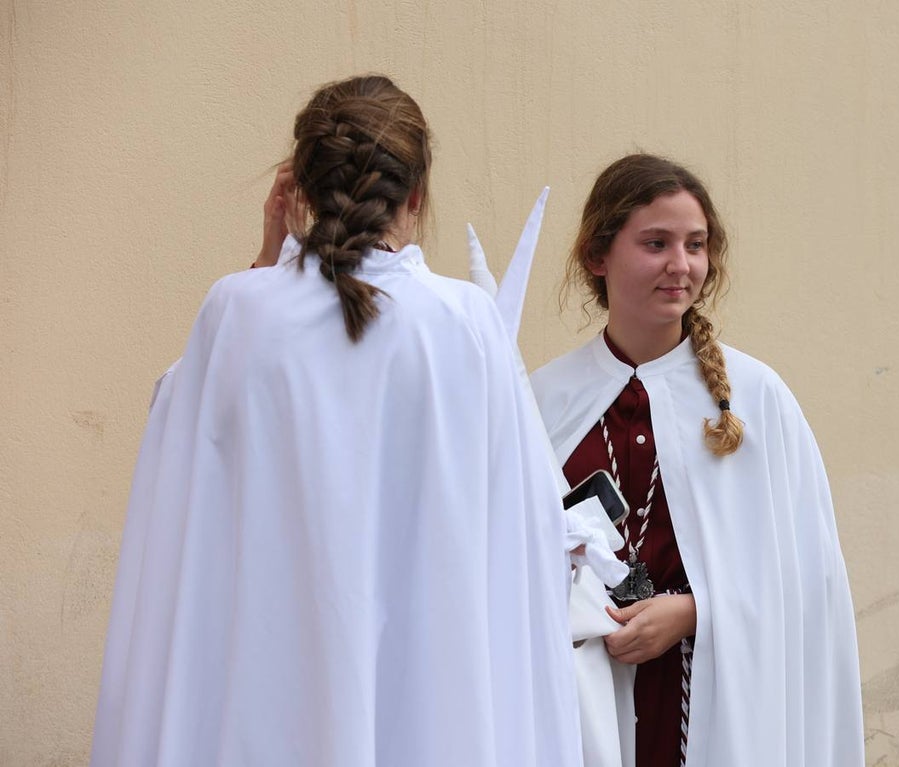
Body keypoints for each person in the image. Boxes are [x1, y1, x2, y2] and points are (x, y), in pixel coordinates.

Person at [90, 75, 582, 767]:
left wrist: (267, 258)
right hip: (433, 695)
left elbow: (181, 449)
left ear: (296, 191)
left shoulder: (238, 312)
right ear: (416, 196)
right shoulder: (467, 323)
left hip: (269, 691)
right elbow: (529, 530)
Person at [530, 154, 865, 767]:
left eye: (695, 244)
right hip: (578, 696)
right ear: (598, 256)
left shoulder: (756, 399)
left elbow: (809, 577)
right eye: (655, 243)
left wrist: (694, 612)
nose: (679, 265)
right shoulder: (544, 400)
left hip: (712, 694)